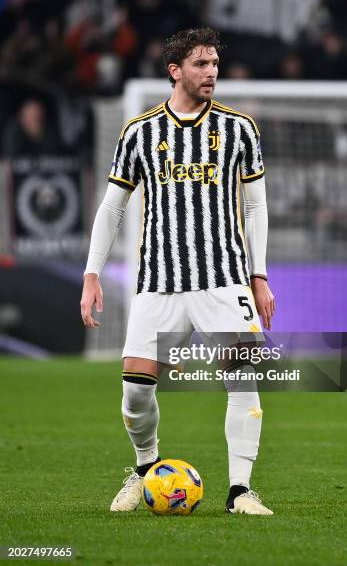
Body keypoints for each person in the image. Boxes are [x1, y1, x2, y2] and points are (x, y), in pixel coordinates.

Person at [80, 28, 275, 515]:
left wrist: (260, 273)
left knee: (244, 381)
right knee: (134, 394)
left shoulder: (238, 128)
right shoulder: (140, 132)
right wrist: (91, 273)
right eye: (201, 64)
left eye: (214, 64)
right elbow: (112, 208)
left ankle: (239, 492)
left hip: (224, 277)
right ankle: (147, 469)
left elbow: (256, 207)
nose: (211, 72)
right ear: (175, 71)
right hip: (159, 283)